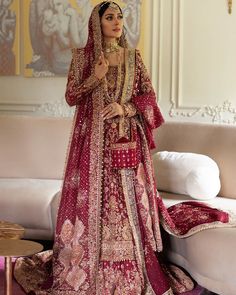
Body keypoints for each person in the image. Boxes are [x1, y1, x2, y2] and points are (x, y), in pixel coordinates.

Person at [14, 2, 235, 294]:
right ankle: (87, 265)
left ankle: (132, 266)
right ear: (97, 24)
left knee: (127, 198)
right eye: (110, 17)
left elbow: (149, 98)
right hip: (91, 144)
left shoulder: (134, 57)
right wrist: (96, 76)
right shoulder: (82, 58)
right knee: (94, 199)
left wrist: (124, 107)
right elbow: (71, 96)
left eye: (120, 17)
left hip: (127, 139)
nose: (117, 22)